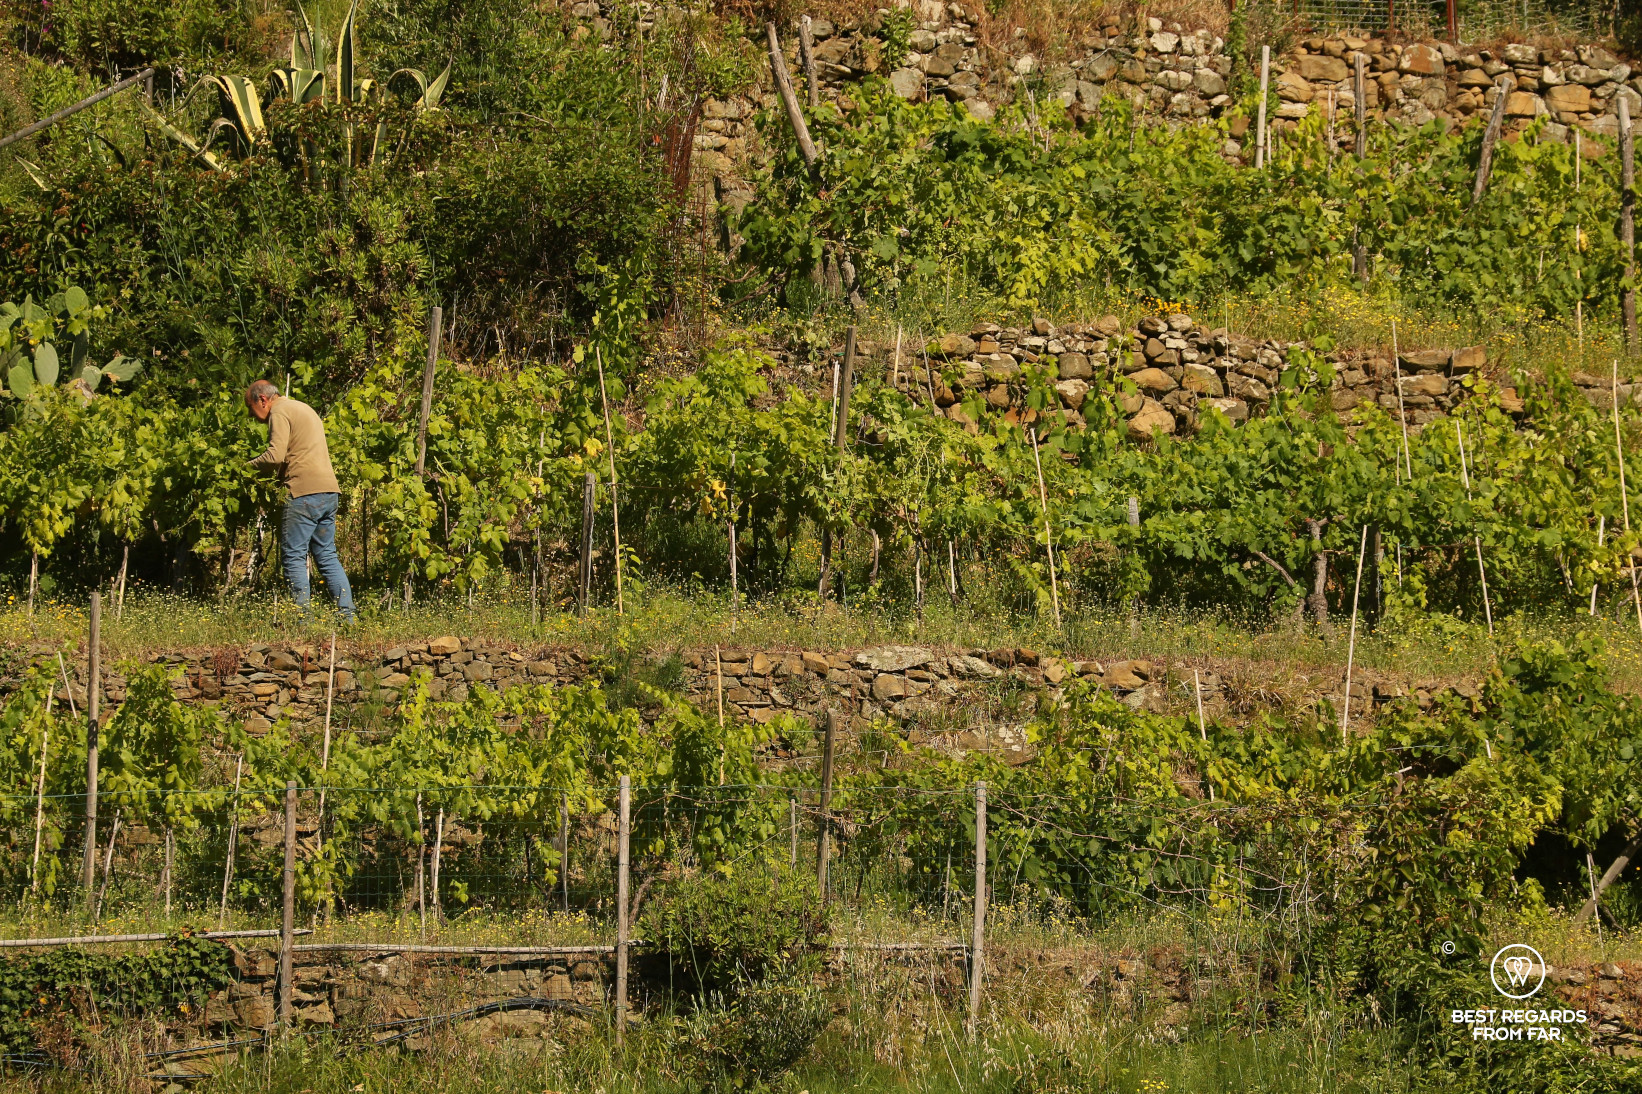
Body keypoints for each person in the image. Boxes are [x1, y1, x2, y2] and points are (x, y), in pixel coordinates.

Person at [245, 380, 356, 621]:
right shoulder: (303, 407)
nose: (251, 416)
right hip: (328, 491)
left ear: (262, 400)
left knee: (293, 556)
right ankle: (348, 617)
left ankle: (303, 621)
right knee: (327, 555)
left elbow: (275, 456)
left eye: (250, 407)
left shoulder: (280, 411)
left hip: (303, 492)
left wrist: (244, 468)